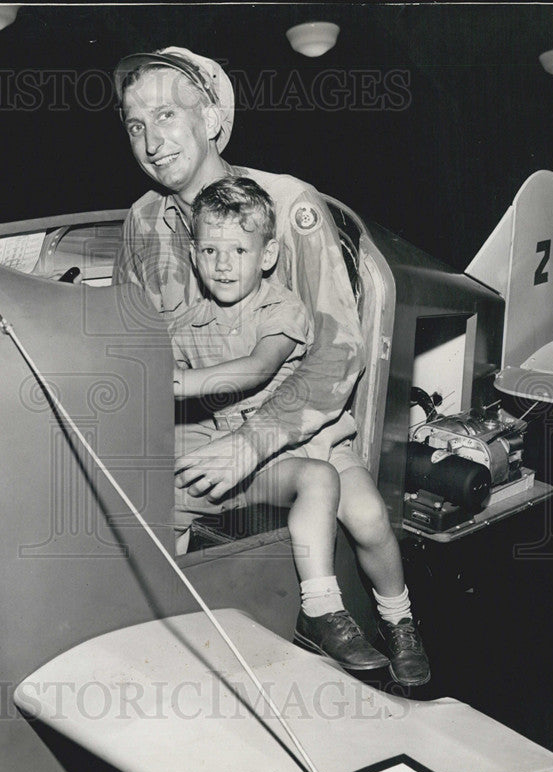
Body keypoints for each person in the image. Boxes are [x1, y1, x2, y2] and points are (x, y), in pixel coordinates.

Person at [113, 47, 429, 685]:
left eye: (167, 115)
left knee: (364, 515)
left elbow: (338, 355)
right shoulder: (142, 222)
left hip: (297, 427)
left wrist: (250, 443)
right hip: (197, 428)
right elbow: (131, 341)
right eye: (134, 125)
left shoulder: (288, 207)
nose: (150, 140)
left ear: (212, 119)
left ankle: (398, 622)